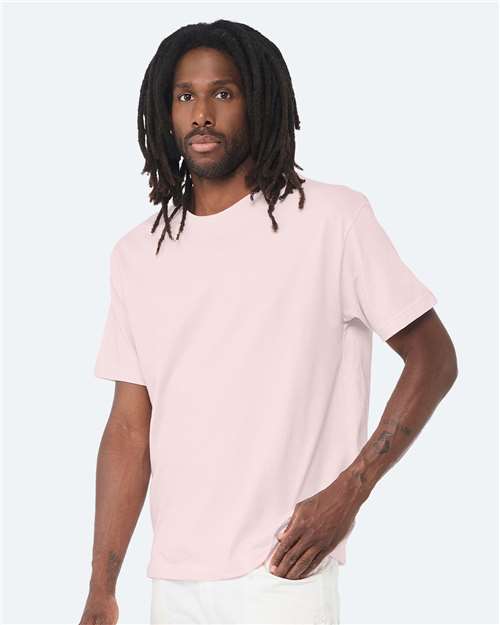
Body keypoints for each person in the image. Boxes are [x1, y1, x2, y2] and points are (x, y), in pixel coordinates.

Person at [79, 18, 458, 625]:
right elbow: (128, 428)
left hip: (283, 575)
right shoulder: (137, 253)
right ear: (165, 112)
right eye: (185, 96)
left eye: (223, 93)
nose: (202, 114)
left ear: (258, 102)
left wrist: (351, 490)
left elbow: (434, 357)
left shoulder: (331, 219)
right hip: (172, 582)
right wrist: (102, 589)